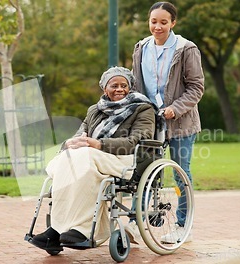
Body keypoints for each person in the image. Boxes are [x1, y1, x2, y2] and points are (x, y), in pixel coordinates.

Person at [30, 66, 156, 251]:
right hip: (90, 157)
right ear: (105, 88)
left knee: (82, 158)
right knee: (73, 158)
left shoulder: (142, 109)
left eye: (124, 85)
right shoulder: (94, 110)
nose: (119, 89)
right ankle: (59, 229)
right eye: (114, 85)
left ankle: (77, 229)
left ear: (130, 88)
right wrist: (71, 143)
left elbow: (137, 141)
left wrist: (99, 144)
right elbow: (81, 134)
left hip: (123, 158)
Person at [131, 1, 205, 243]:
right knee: (141, 171)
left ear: (173, 23)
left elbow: (196, 88)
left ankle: (184, 225)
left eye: (164, 22)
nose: (158, 26)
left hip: (181, 122)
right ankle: (137, 221)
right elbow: (136, 85)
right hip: (150, 122)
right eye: (154, 21)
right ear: (149, 22)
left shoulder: (186, 49)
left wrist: (175, 108)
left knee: (180, 173)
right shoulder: (141, 47)